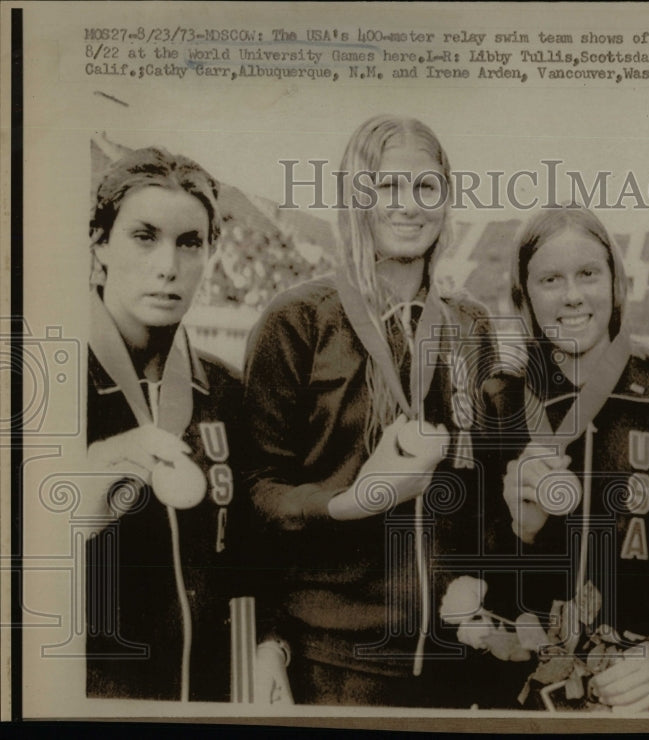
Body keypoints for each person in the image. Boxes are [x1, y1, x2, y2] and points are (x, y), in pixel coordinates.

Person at [241, 114, 494, 706]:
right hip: (332, 659)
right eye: (387, 186)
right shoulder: (297, 321)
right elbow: (256, 492)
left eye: (426, 187)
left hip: (453, 660)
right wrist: (347, 503)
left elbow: (482, 489)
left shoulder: (470, 326)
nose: (409, 206)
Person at [442, 205, 649, 711]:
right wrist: (521, 532)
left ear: (617, 284)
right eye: (550, 279)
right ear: (523, 297)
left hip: (636, 692)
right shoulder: (499, 399)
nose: (572, 295)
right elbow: (467, 566)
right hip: (520, 693)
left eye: (588, 274)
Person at [85, 147, 243, 701]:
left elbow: (251, 561)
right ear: (99, 242)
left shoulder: (224, 389)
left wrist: (267, 648)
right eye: (144, 236)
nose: (168, 266)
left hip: (206, 702)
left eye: (189, 242)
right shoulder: (46, 382)